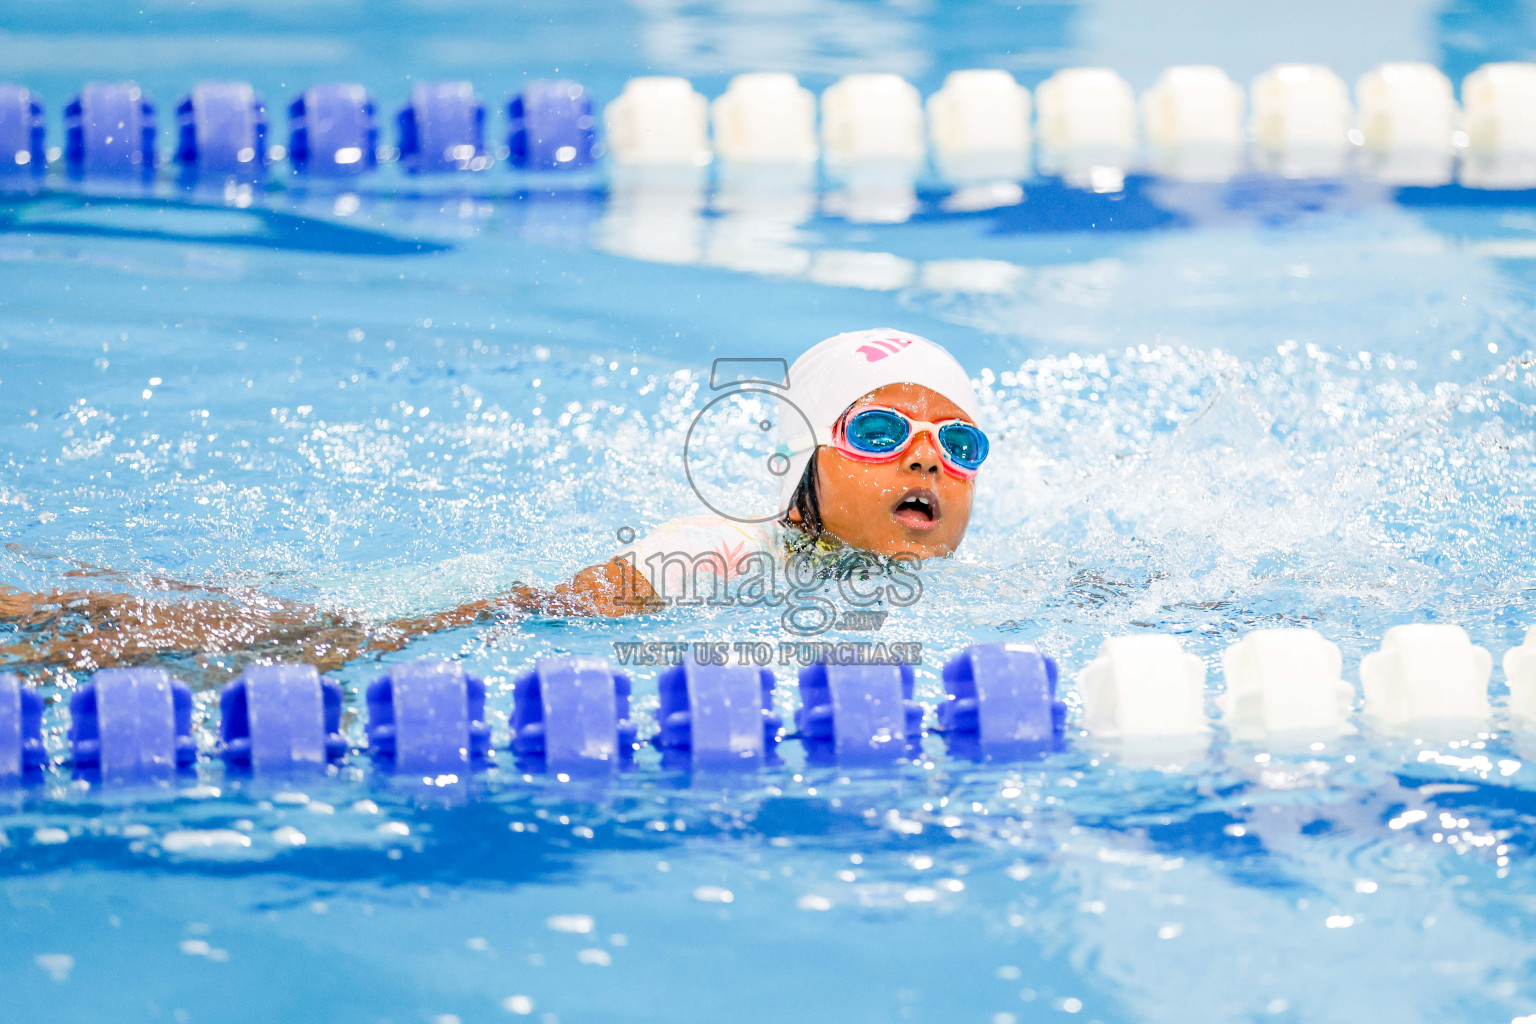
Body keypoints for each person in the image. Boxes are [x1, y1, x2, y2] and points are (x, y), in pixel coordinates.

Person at [0, 328, 988, 679]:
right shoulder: (725, 546)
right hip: (453, 614)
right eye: (876, 432)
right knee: (265, 637)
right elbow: (553, 607)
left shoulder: (897, 572)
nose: (926, 459)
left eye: (959, 444)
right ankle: (36, 617)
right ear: (800, 467)